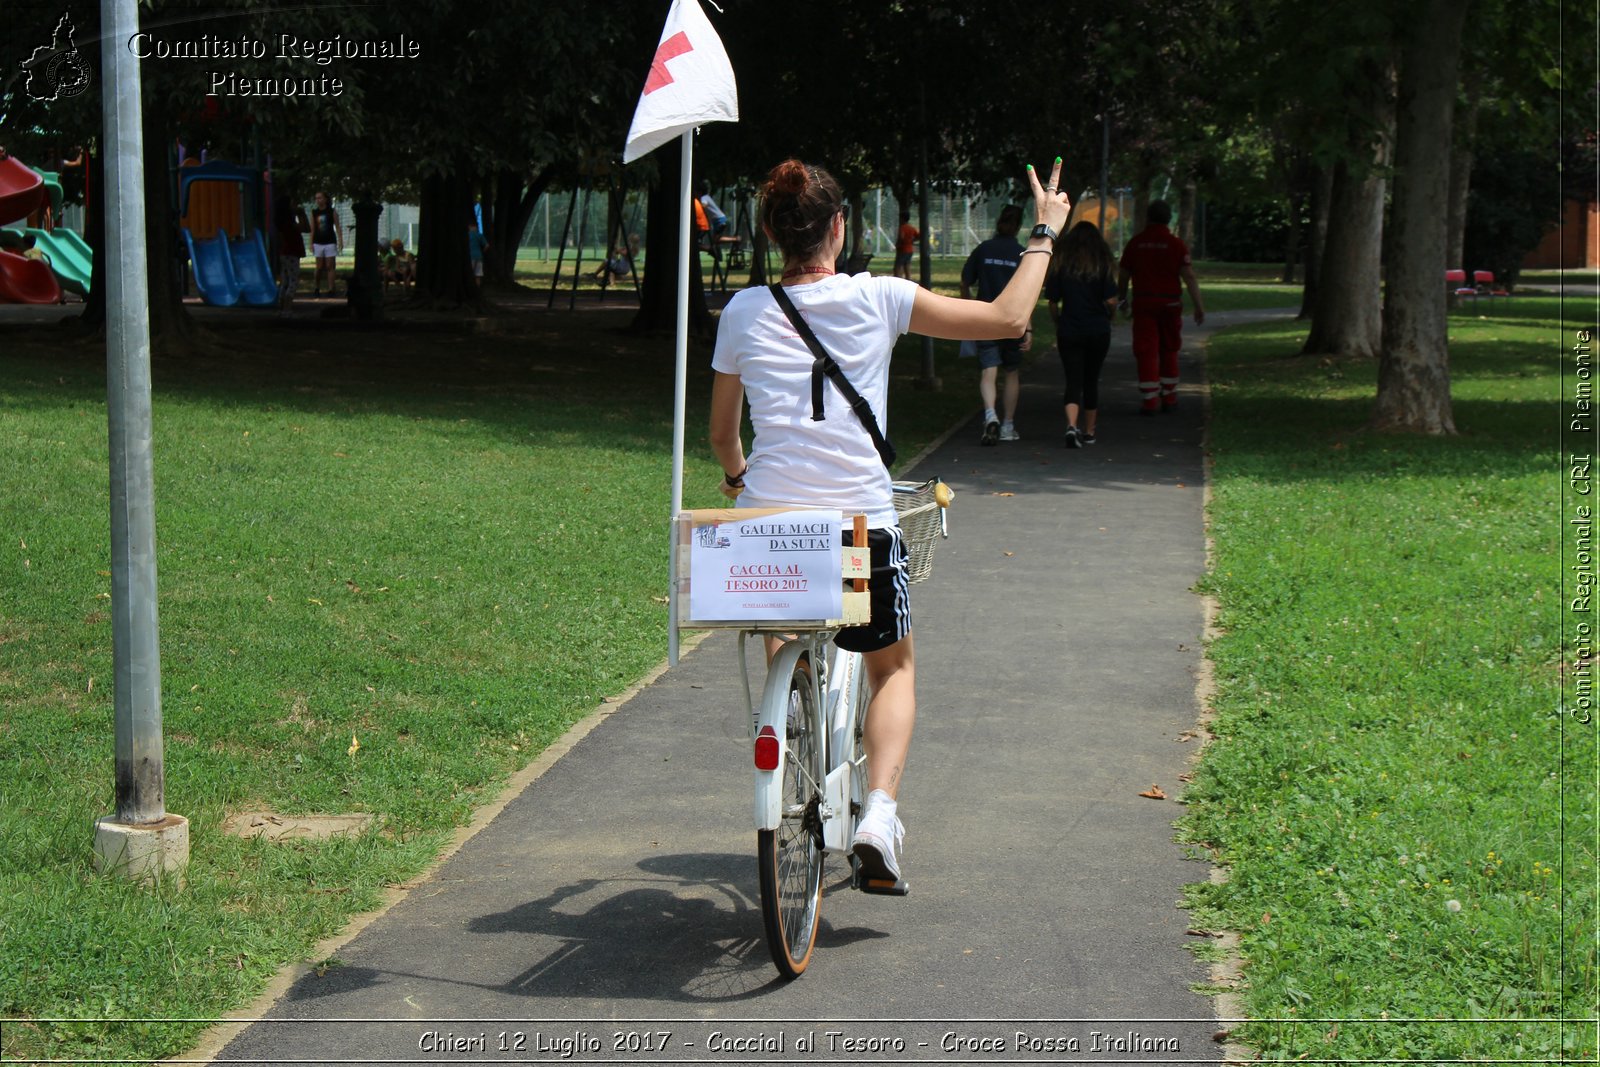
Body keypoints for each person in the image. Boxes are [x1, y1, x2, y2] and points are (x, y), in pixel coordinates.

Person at [709, 156, 1070, 889]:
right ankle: (878, 811)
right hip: (858, 530)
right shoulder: (880, 297)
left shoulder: (743, 311)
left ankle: (795, 696)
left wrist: (739, 481)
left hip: (764, 534)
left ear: (774, 233)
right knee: (893, 665)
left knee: (790, 620)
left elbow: (723, 434)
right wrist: (1043, 232)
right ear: (839, 229)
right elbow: (1008, 318)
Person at [1116, 200, 1204, 414]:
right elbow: (1189, 276)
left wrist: (1122, 299)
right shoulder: (1176, 244)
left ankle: (1149, 399)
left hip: (1144, 302)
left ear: (1148, 217)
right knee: (1170, 348)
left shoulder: (1136, 244)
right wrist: (1198, 305)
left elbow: (1124, 275)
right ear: (1168, 219)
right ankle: (1170, 395)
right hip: (1170, 303)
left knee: (1146, 350)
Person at [961, 204, 1030, 444]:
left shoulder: (984, 249)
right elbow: (1028, 295)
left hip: (985, 319)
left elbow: (965, 279)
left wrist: (968, 305)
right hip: (1012, 321)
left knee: (988, 371)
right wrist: (1028, 326)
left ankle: (990, 415)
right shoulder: (1022, 254)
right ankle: (1008, 425)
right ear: (1019, 226)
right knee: (1011, 373)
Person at [1046, 221, 1119, 446]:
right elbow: (1111, 300)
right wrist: (1111, 314)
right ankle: (1089, 431)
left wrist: (1057, 320)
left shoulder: (1062, 265)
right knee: (1091, 380)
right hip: (1097, 329)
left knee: (1072, 379)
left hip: (1069, 328)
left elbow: (1052, 301)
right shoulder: (1102, 264)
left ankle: (1071, 425)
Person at [272, 189, 309, 314]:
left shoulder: (281, 222)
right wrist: (302, 214)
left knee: (285, 281)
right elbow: (306, 228)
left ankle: (281, 307)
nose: (295, 206)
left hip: (285, 253)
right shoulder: (289, 223)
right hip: (292, 253)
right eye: (292, 204)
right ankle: (287, 309)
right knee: (293, 281)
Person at [308, 191, 341, 296]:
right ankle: (316, 288)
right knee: (318, 267)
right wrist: (311, 243)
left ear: (325, 199)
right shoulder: (314, 212)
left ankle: (331, 289)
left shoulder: (332, 211)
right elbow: (312, 229)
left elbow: (338, 226)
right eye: (316, 198)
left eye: (320, 198)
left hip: (330, 241)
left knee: (330, 266)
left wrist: (340, 240)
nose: (318, 200)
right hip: (318, 242)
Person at [893, 210, 918, 280]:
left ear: (902, 218)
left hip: (902, 250)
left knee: (897, 267)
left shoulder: (902, 227)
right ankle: (908, 281)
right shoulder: (911, 228)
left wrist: (898, 244)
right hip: (910, 250)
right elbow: (918, 236)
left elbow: (901, 237)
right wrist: (912, 240)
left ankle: (897, 281)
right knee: (907, 267)